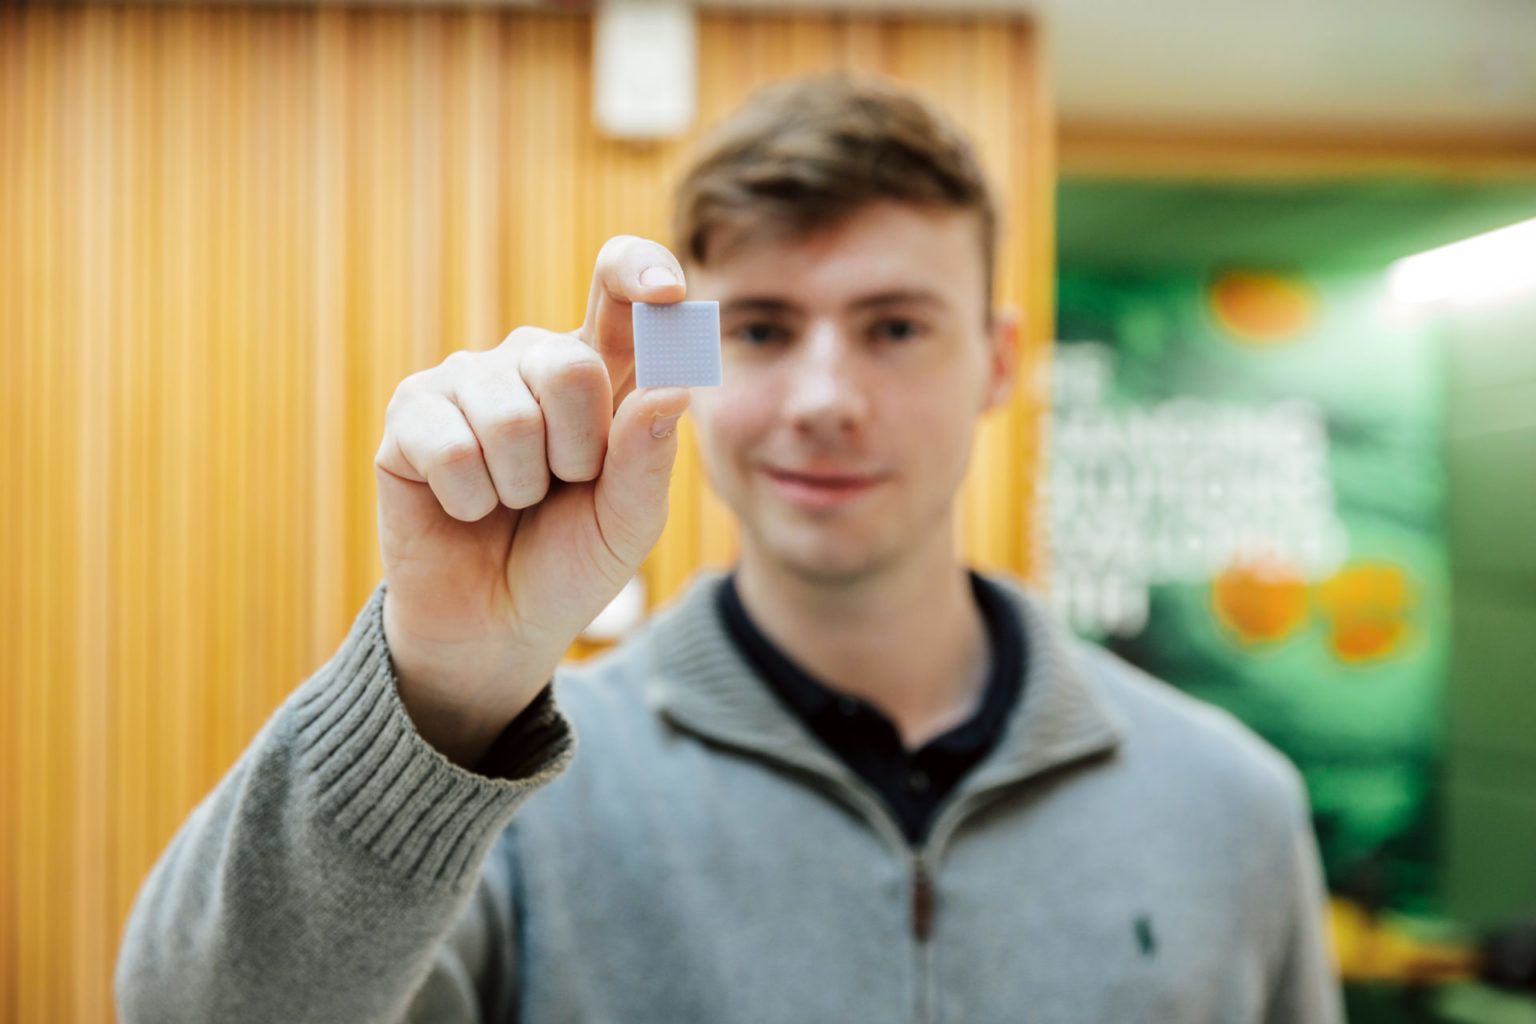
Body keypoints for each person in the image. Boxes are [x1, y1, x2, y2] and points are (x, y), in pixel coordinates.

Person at [116, 74, 1342, 1023]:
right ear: (687, 356)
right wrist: (440, 685)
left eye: (896, 326)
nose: (822, 396)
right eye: (758, 327)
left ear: (999, 363)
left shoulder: (1229, 804)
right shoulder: (508, 801)